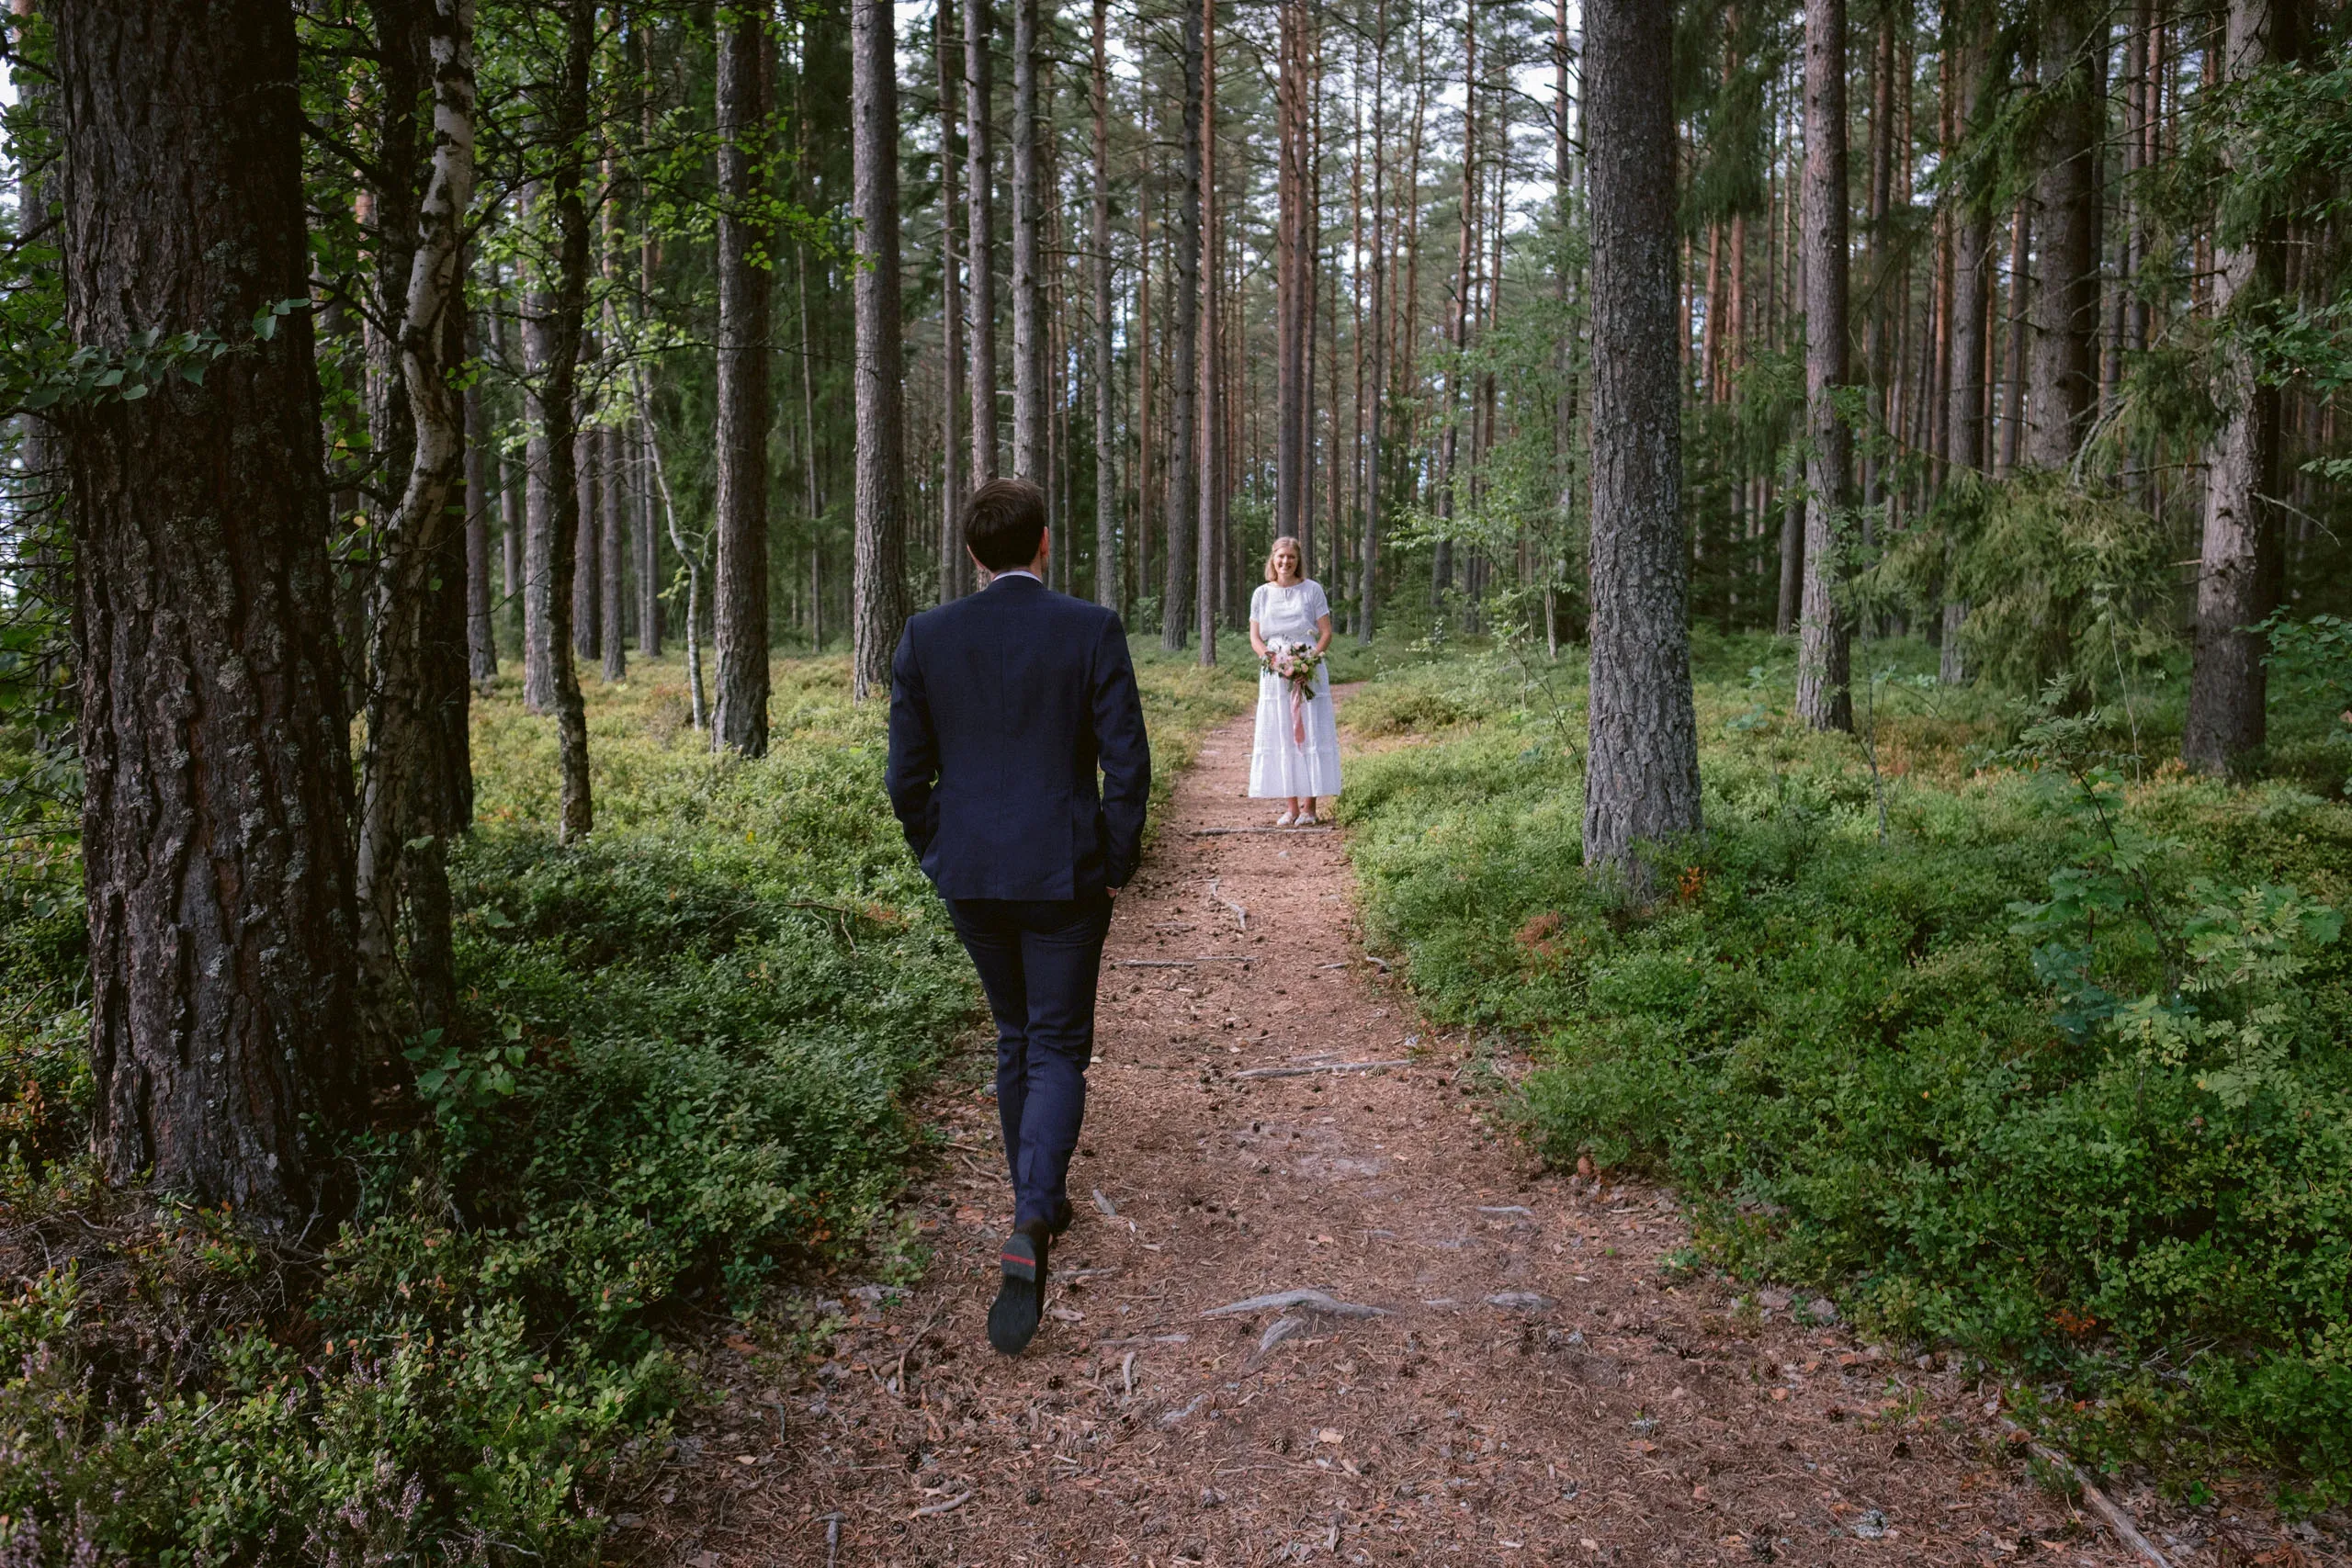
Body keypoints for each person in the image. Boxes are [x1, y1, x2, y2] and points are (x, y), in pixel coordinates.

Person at [885, 477, 1151, 1356]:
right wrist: (1111, 864)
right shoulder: (1089, 626)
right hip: (1063, 876)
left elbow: (904, 779)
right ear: (1045, 542)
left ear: (974, 555)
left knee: (1014, 1036)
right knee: (1057, 1043)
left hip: (974, 877)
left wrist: (940, 854)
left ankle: (1033, 1202)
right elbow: (1128, 763)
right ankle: (1034, 1214)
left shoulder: (928, 635)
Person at [1247, 536, 1341, 824]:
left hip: (1308, 667)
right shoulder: (1261, 593)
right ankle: (1292, 808)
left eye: (1291, 557)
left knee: (1310, 731)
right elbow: (1254, 637)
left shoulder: (1312, 590)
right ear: (1273, 560)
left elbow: (1325, 633)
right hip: (1274, 669)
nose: (1286, 562)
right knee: (1282, 731)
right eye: (1281, 557)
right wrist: (1272, 658)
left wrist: (1308, 660)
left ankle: (1310, 808)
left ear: (1298, 561)